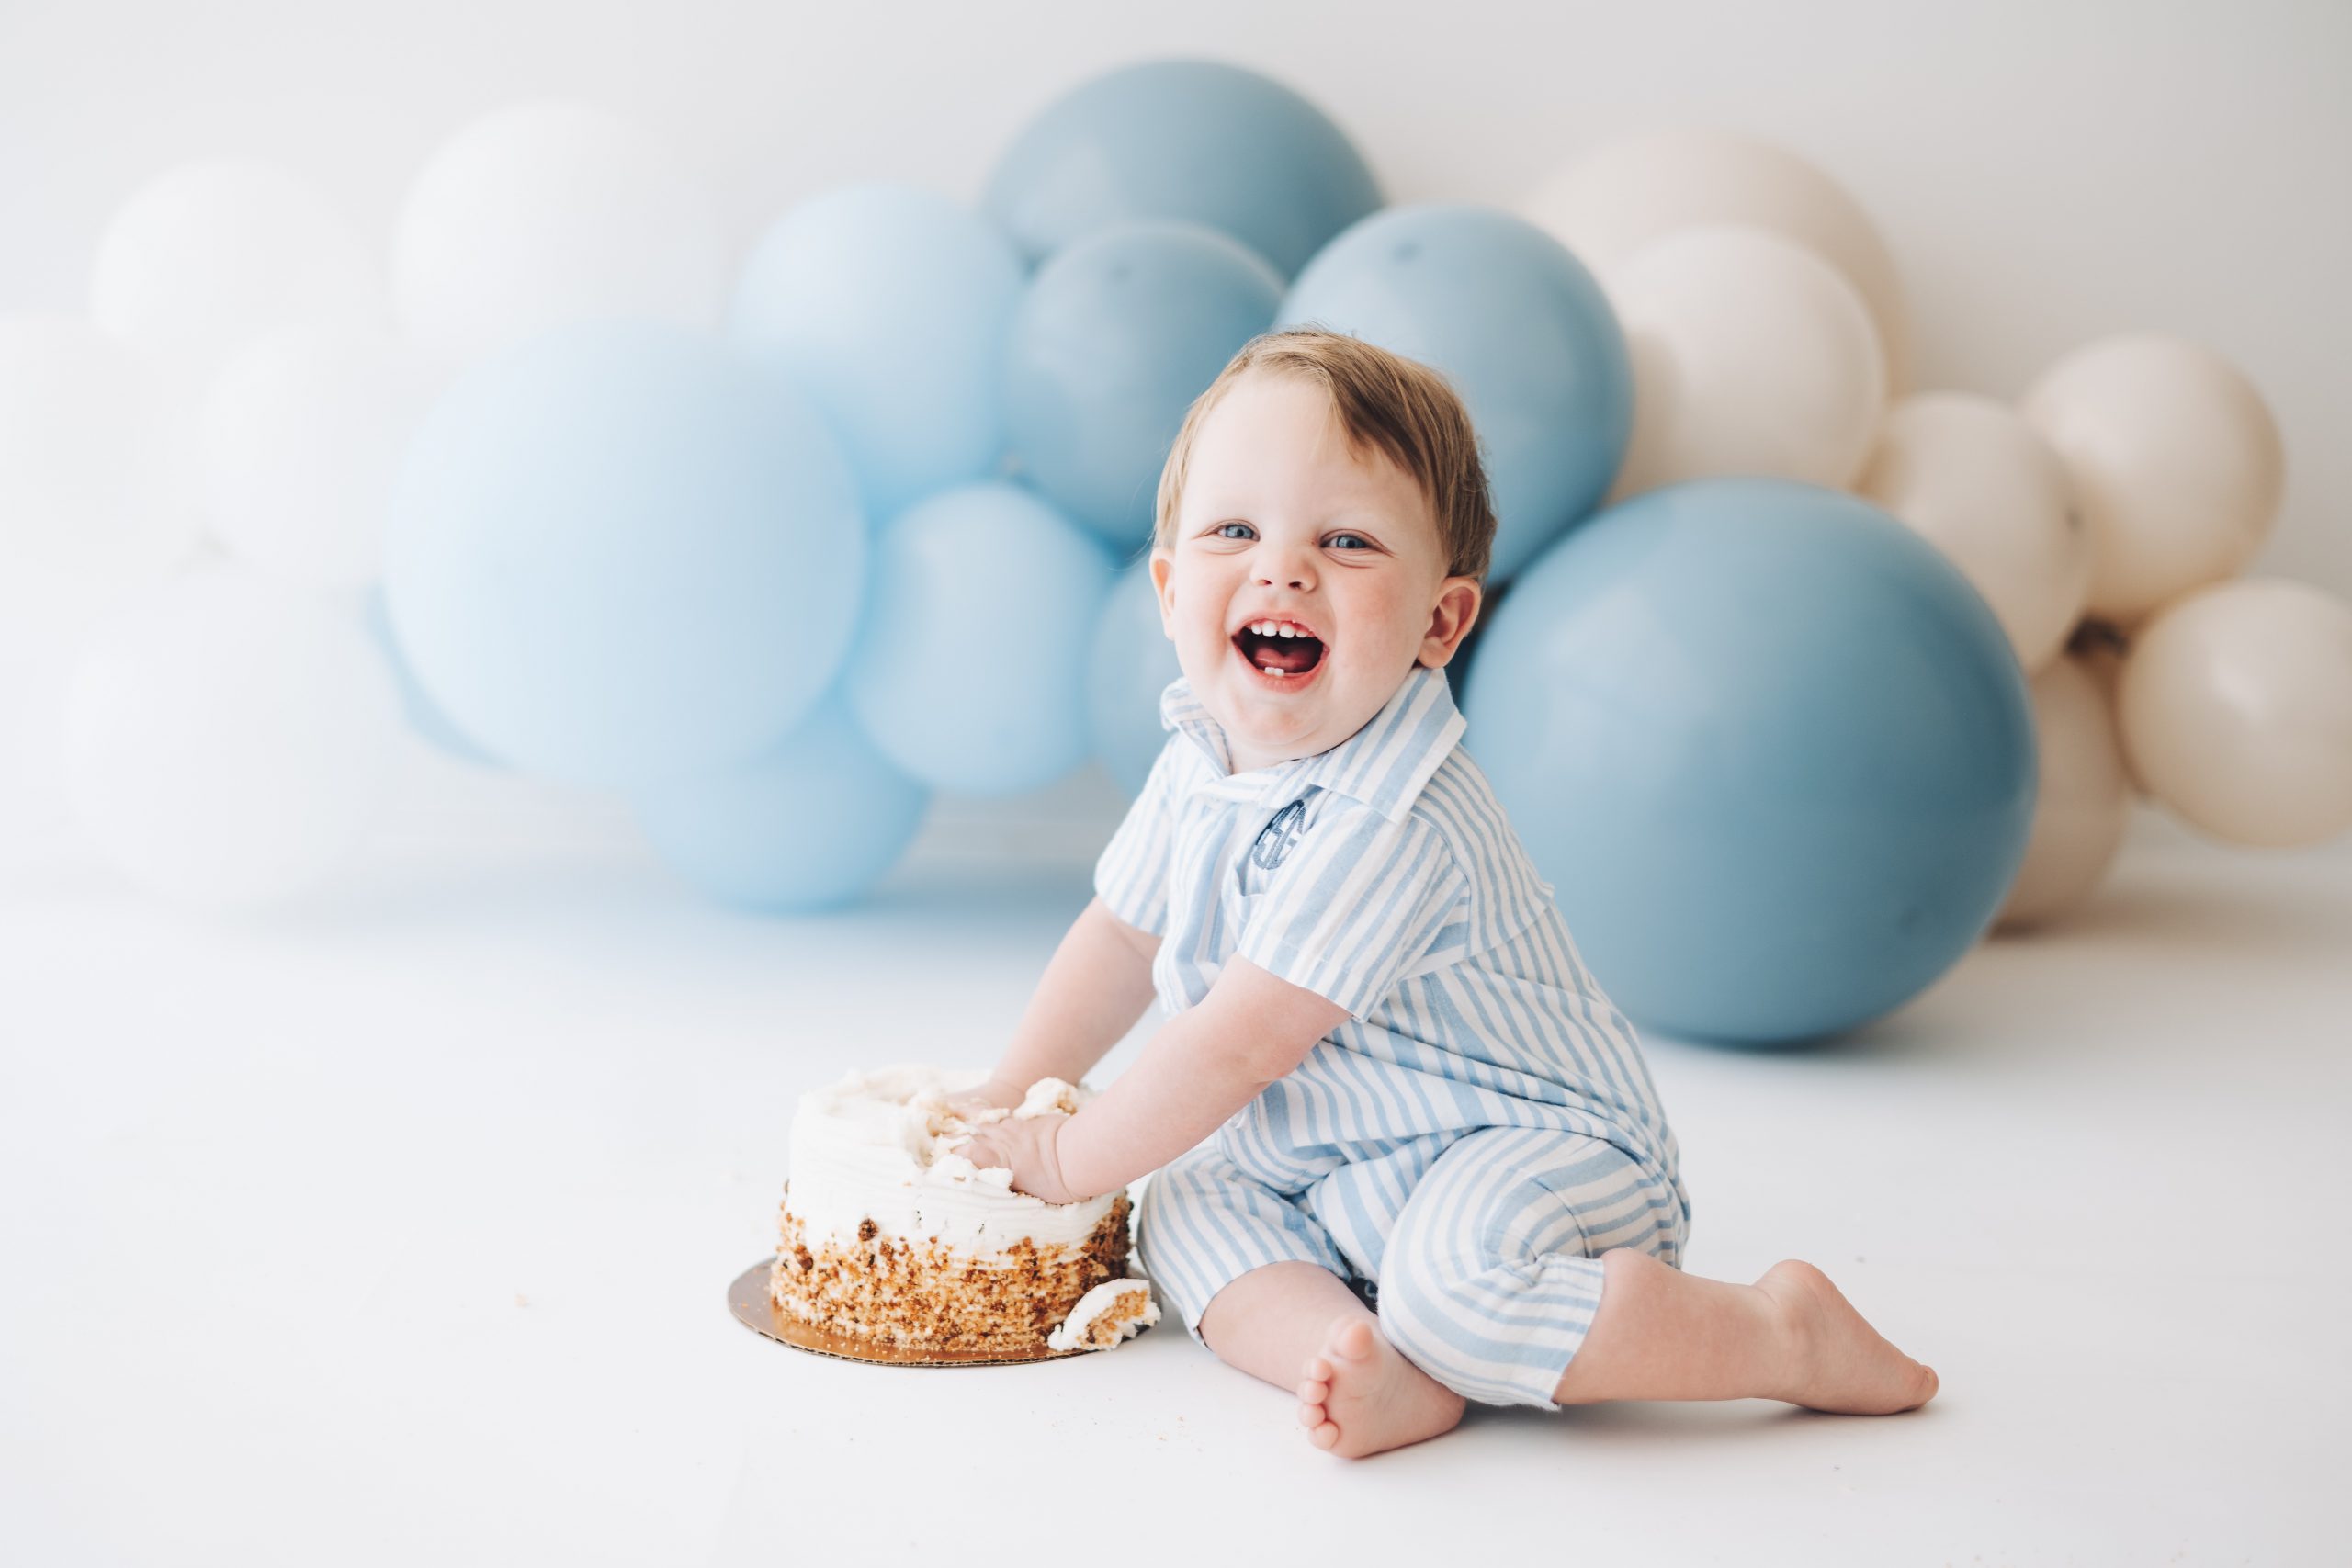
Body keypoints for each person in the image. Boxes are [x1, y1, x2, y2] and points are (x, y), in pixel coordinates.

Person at [952, 327, 1938, 1458]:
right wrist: (1015, 1087)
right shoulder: (1202, 760)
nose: (1282, 570)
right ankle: (1354, 1359)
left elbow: (1238, 1045)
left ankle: (1776, 1332)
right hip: (1339, 1161)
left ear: (1439, 622)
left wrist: (1064, 1159)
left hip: (1531, 1148)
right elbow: (1124, 936)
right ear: (1171, 591)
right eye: (1234, 532)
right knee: (1181, 1205)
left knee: (1455, 1289)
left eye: (1346, 541)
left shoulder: (1392, 816)